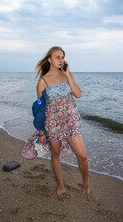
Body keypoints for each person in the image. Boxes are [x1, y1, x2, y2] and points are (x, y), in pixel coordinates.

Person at [35, 46, 91, 197]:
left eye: (62, 57)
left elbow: (78, 94)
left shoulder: (67, 74)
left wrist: (68, 75)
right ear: (49, 60)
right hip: (53, 121)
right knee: (56, 154)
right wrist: (41, 132)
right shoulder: (43, 81)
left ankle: (86, 183)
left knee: (82, 155)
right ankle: (60, 184)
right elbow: (40, 109)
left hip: (70, 119)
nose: (61, 60)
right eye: (57, 57)